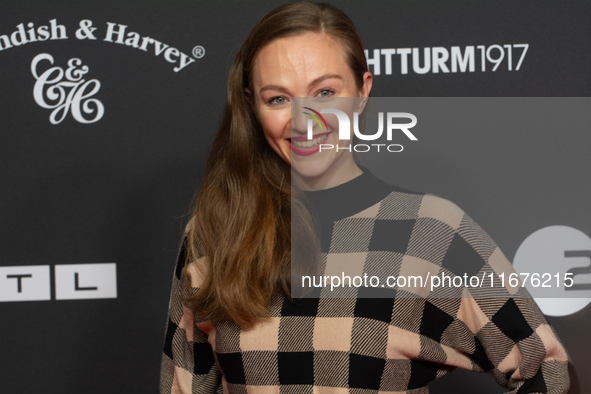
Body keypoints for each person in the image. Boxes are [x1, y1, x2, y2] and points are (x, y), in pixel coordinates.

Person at [160, 2, 570, 393]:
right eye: (278, 99)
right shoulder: (215, 233)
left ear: (361, 90)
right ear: (252, 106)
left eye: (324, 93)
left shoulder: (430, 229)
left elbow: (550, 375)